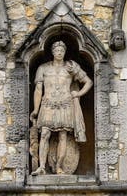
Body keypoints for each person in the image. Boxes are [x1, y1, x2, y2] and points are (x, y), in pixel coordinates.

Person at [30, 41, 92, 175]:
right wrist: (36, 109)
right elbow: (38, 89)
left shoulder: (71, 67)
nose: (59, 52)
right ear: (52, 52)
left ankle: (59, 167)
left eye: (62, 50)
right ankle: (41, 167)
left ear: (64, 52)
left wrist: (78, 93)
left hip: (65, 104)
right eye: (57, 50)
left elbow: (88, 82)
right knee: (45, 134)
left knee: (63, 135)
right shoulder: (43, 68)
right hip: (47, 104)